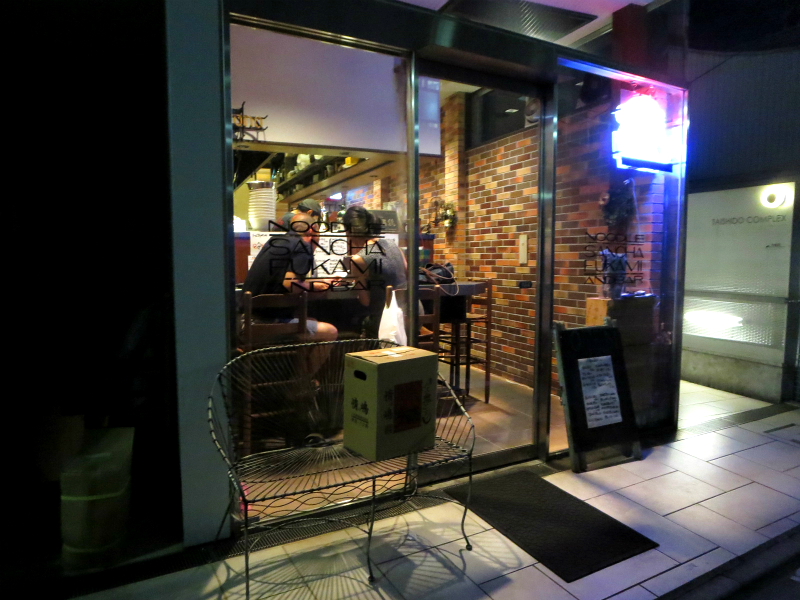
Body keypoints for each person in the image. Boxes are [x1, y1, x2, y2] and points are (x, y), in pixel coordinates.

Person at [243, 212, 338, 344]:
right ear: (313, 230)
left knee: (311, 321)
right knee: (330, 331)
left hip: (245, 321)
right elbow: (292, 285)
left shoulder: (275, 241)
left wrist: (320, 281)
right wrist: (317, 286)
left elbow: (285, 279)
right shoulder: (303, 246)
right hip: (265, 324)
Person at [341, 206, 408, 338]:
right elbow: (404, 272)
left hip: (386, 322)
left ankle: (362, 350)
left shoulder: (359, 259)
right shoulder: (394, 245)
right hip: (411, 316)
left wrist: (356, 277)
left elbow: (365, 301)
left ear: (349, 232)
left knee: (350, 321)